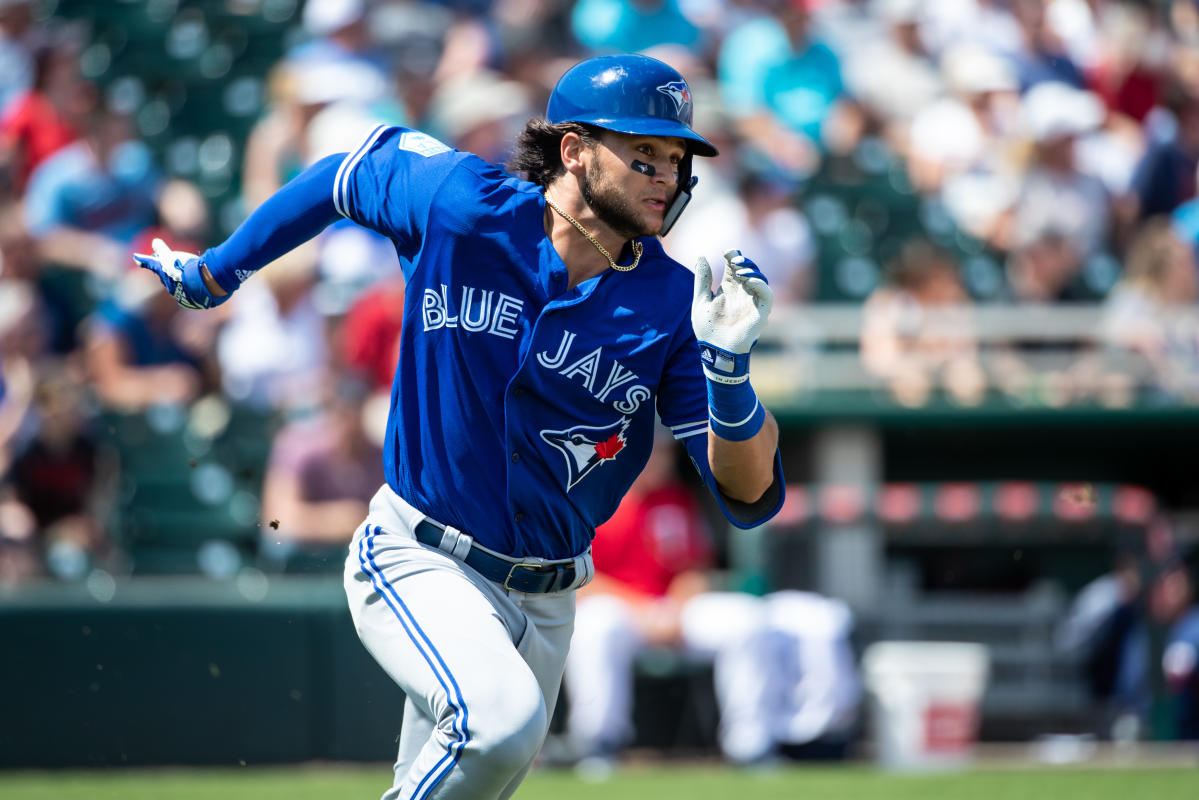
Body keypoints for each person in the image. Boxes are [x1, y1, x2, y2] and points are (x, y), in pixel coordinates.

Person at [135, 53, 783, 800]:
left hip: (549, 599)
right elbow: (341, 176)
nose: (664, 174)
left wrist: (731, 374)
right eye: (642, 154)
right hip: (421, 555)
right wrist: (219, 271)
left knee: (465, 765)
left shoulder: (673, 302)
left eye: (674, 157)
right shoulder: (462, 203)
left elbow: (748, 490)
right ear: (571, 150)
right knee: (498, 725)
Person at [565, 430, 857, 766]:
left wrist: (675, 606)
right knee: (598, 629)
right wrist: (643, 611)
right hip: (619, 611)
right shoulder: (590, 499)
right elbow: (579, 580)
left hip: (675, 609)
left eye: (663, 452)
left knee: (745, 621)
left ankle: (751, 745)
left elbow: (696, 567)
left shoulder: (675, 499)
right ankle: (598, 743)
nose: (662, 459)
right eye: (653, 452)